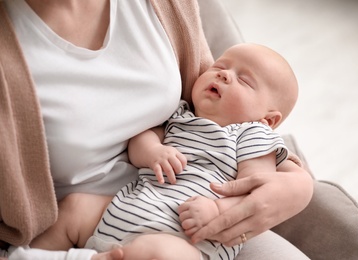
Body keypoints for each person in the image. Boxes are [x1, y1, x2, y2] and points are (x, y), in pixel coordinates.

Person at [0, 0, 313, 259]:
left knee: (162, 254)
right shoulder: (183, 115)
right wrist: (153, 151)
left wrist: (223, 208)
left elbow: (251, 187)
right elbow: (146, 138)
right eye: (220, 67)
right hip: (122, 205)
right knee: (75, 208)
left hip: (188, 230)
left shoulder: (252, 135)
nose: (223, 75)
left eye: (243, 80)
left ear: (268, 120)